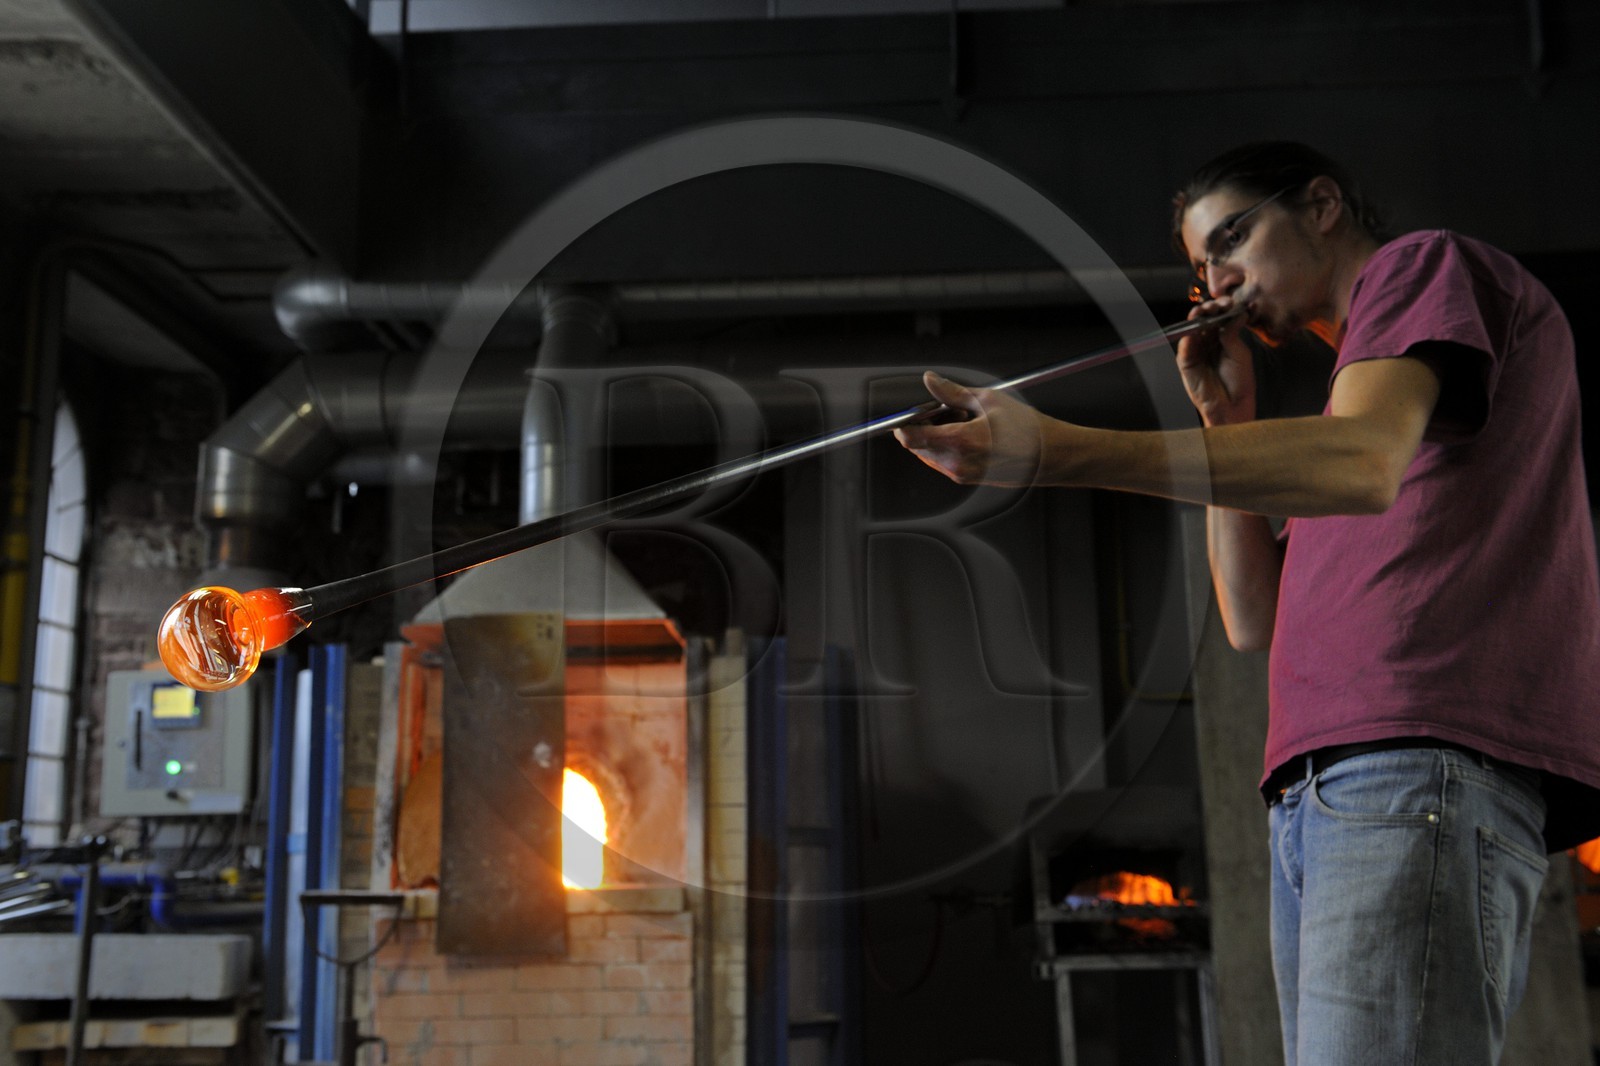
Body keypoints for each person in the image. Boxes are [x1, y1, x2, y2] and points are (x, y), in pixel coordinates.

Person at [894, 141, 1600, 1066]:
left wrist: (1056, 451)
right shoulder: (1349, 422)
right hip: (1325, 788)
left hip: (1410, 761)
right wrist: (1223, 418)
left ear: (1322, 205)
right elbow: (1252, 618)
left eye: (1231, 239)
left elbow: (1363, 464)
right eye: (1200, 268)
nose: (1216, 281)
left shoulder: (1420, 269)